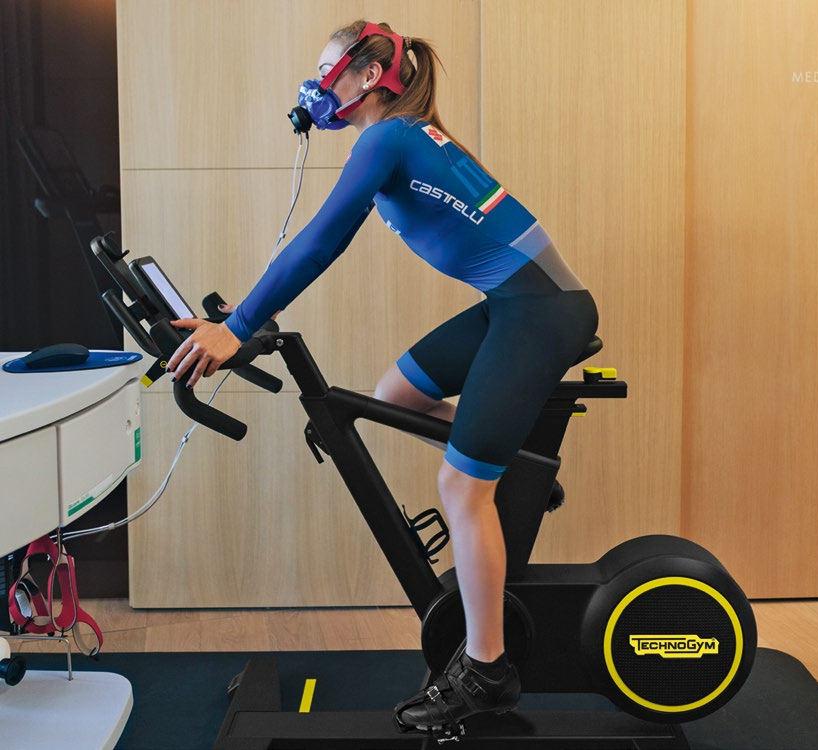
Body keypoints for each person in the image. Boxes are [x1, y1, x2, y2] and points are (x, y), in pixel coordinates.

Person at [165, 19, 599, 735]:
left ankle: (487, 670)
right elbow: (319, 244)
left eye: (326, 70)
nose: (316, 84)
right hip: (516, 303)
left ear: (368, 77)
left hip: (541, 311)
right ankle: (514, 467)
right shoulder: (404, 135)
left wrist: (237, 326)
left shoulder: (387, 138)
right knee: (395, 396)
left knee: (461, 487)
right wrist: (247, 318)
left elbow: (322, 240)